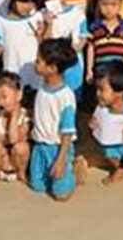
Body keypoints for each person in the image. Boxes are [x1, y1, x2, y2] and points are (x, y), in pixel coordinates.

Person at [29, 38, 84, 201]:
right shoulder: (42, 85)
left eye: (38, 61)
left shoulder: (66, 97)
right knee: (37, 186)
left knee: (61, 195)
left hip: (58, 148)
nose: (35, 63)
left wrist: (60, 160)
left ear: (52, 68)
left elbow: (67, 132)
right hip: (40, 146)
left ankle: (75, 166)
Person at [0, 72, 31, 186]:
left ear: (18, 96)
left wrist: (13, 116)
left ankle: (21, 173)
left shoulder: (24, 116)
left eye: (4, 97)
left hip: (15, 161)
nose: (0, 102)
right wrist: (2, 141)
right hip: (1, 160)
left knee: (21, 147)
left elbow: (14, 139)